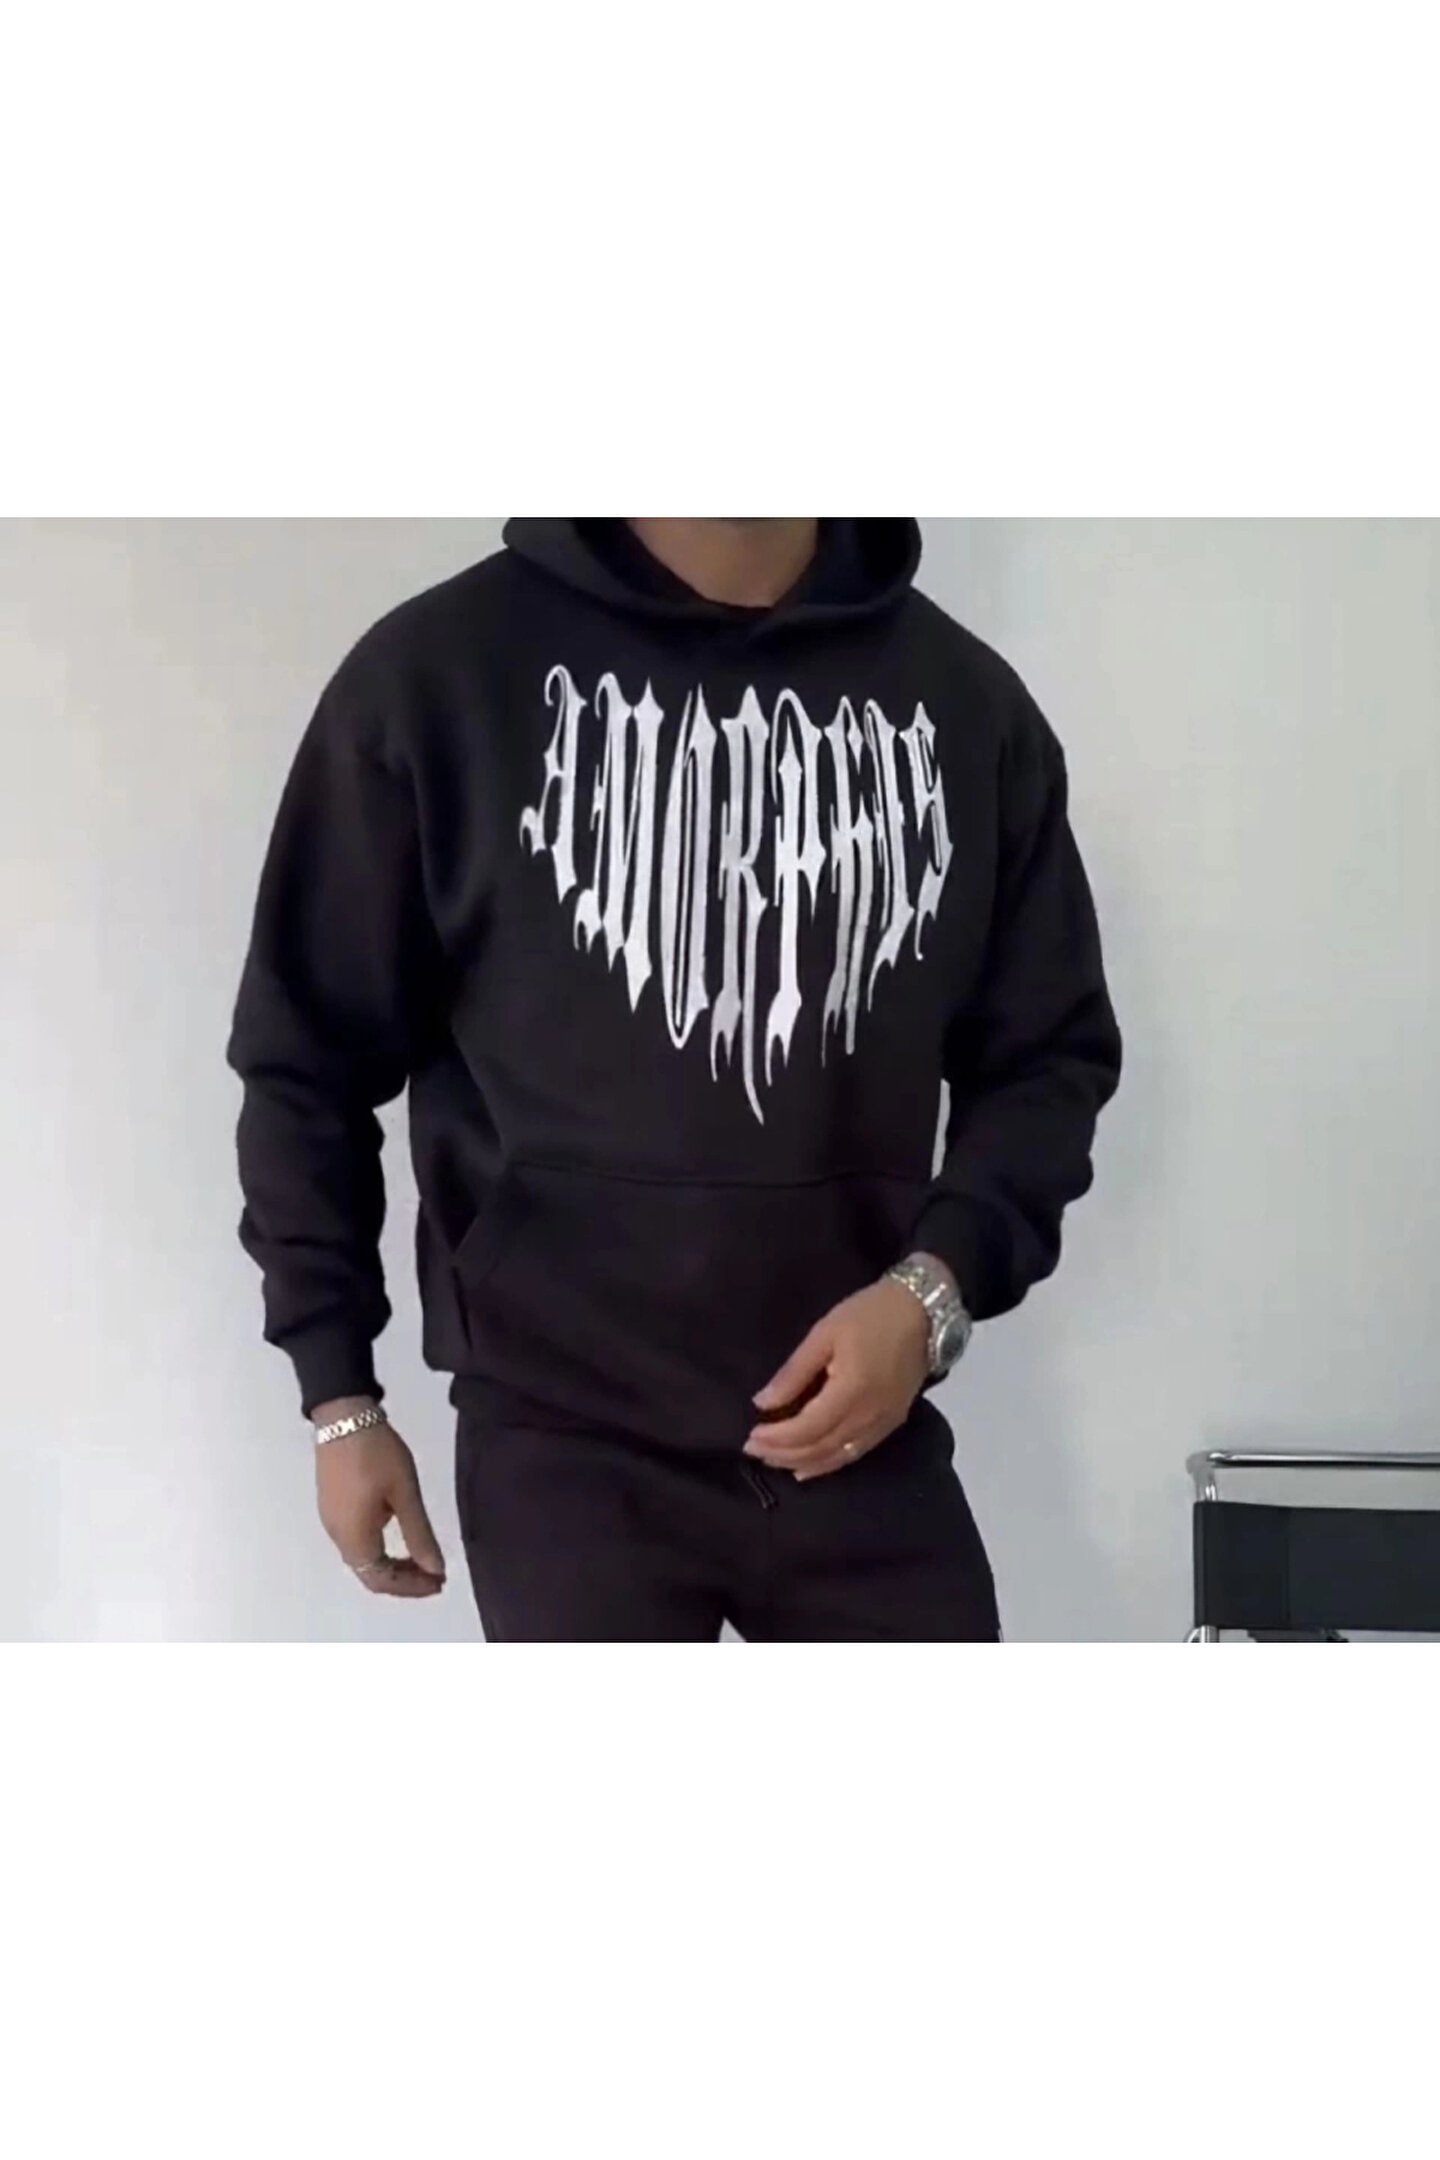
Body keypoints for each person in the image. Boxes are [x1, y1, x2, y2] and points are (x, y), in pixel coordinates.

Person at [228, 518, 1121, 1639]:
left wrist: (931, 1293)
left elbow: (1047, 1059)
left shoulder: (967, 709)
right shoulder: (435, 682)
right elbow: (306, 1060)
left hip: (858, 1431)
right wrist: (340, 1398)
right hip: (566, 1450)